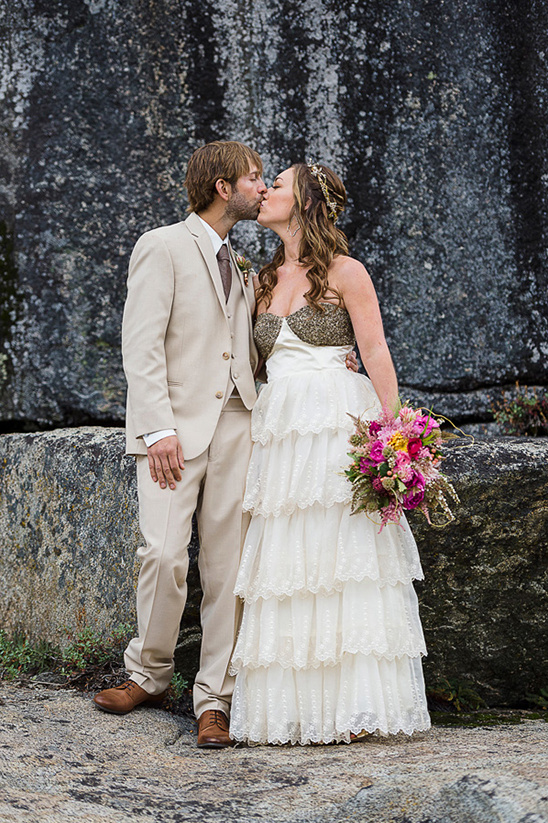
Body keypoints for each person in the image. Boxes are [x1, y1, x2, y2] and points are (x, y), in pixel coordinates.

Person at [228, 162, 431, 745]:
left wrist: (398, 440)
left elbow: (375, 351)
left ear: (306, 200)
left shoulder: (347, 272)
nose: (265, 192)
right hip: (283, 427)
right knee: (291, 559)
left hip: (339, 421)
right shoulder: (262, 280)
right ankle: (292, 709)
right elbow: (255, 360)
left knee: (346, 556)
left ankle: (357, 706)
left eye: (279, 186)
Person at [93, 141, 266, 748]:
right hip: (174, 431)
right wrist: (158, 429)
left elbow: (247, 348)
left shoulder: (243, 264)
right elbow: (139, 345)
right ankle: (150, 673)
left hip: (239, 424)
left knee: (228, 567)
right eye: (253, 177)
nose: (261, 187)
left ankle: (213, 700)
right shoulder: (161, 245)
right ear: (222, 186)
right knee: (163, 555)